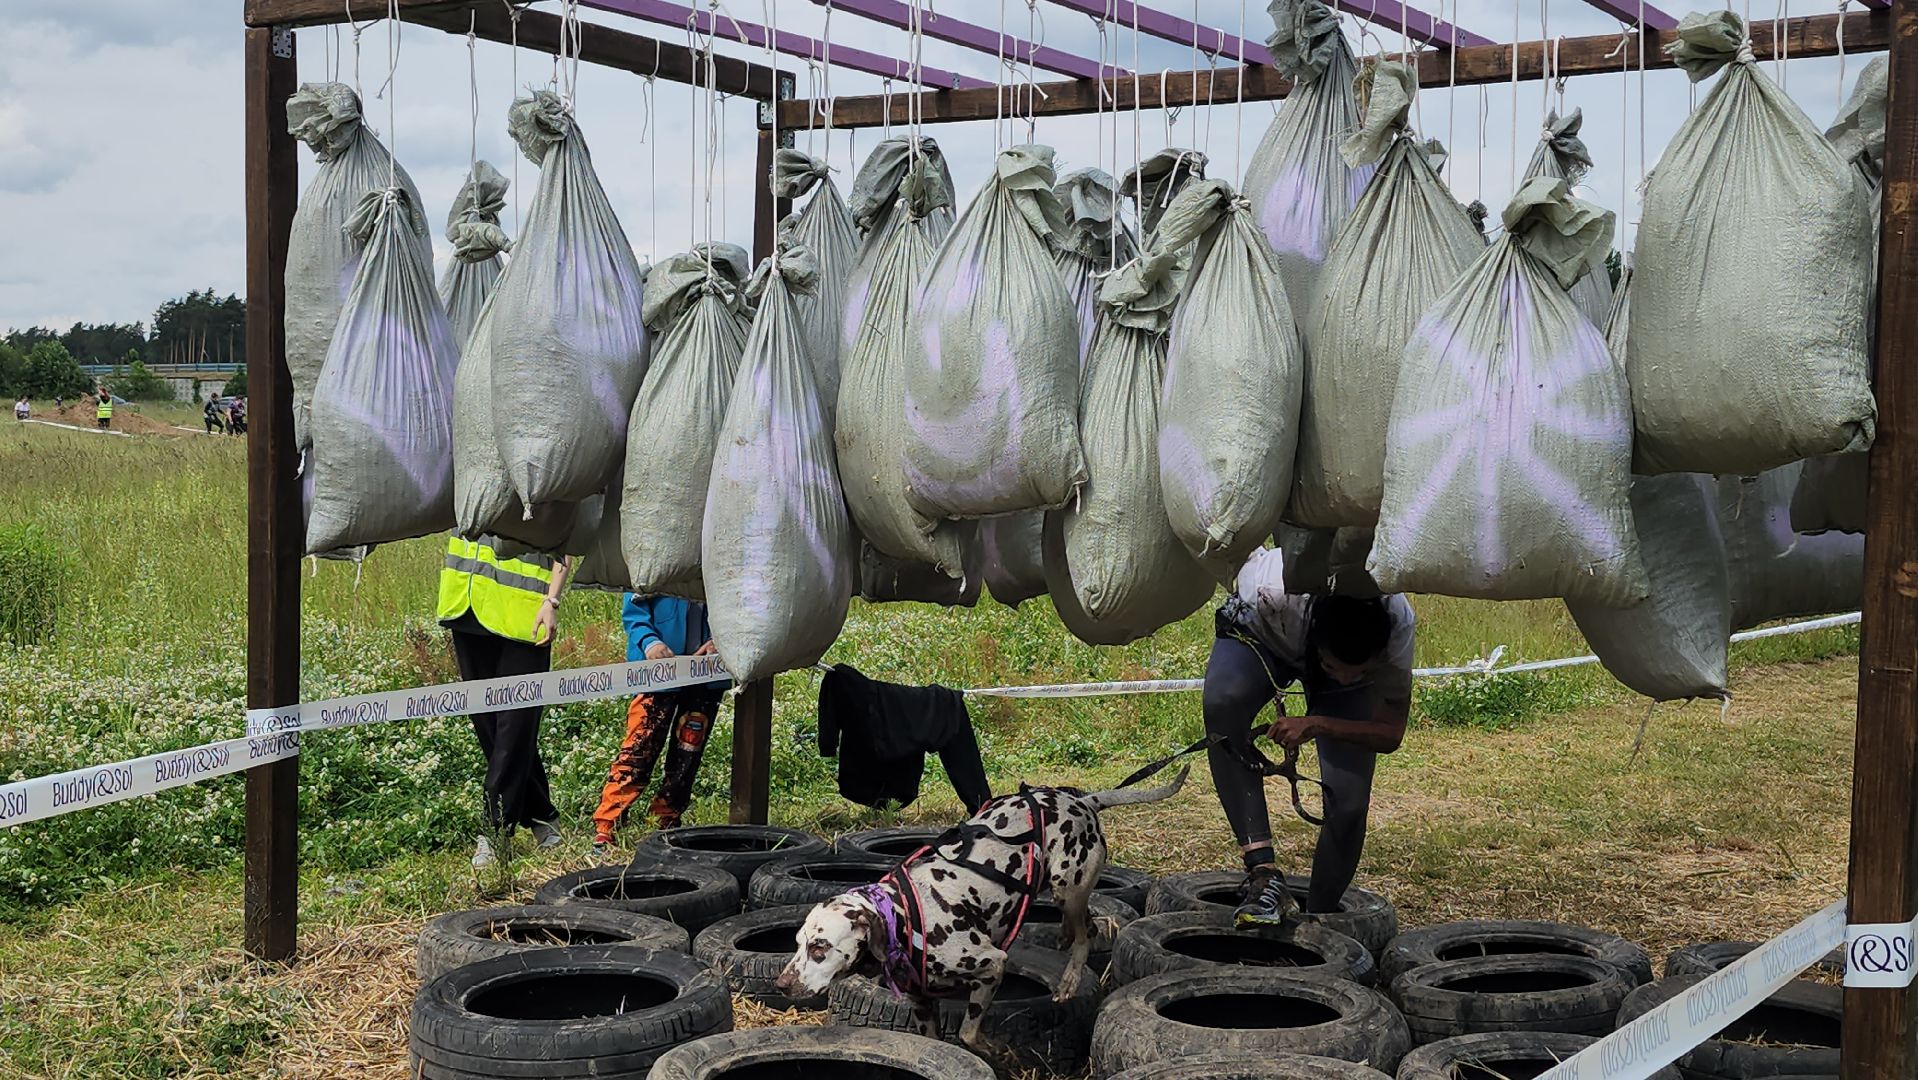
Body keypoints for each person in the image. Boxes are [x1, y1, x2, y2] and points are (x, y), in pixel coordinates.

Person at [1203, 547, 1415, 929]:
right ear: (1318, 647)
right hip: (1265, 630)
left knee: (1349, 804)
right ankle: (1263, 873)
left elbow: (1390, 733)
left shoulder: (1397, 630)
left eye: (1360, 672)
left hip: (1326, 641)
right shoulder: (1265, 588)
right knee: (1223, 702)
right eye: (1336, 668)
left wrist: (1317, 723)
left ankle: (1319, 920)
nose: (1346, 679)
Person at [438, 534, 571, 869]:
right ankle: (542, 815)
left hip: (525, 616)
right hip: (465, 605)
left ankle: (495, 831)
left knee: (517, 724)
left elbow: (568, 532)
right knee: (494, 731)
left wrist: (552, 601)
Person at [591, 595, 728, 852]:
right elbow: (633, 606)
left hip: (708, 672)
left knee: (688, 750)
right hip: (655, 670)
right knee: (640, 747)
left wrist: (721, 640)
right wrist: (649, 641)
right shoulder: (652, 556)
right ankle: (607, 824)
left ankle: (667, 818)